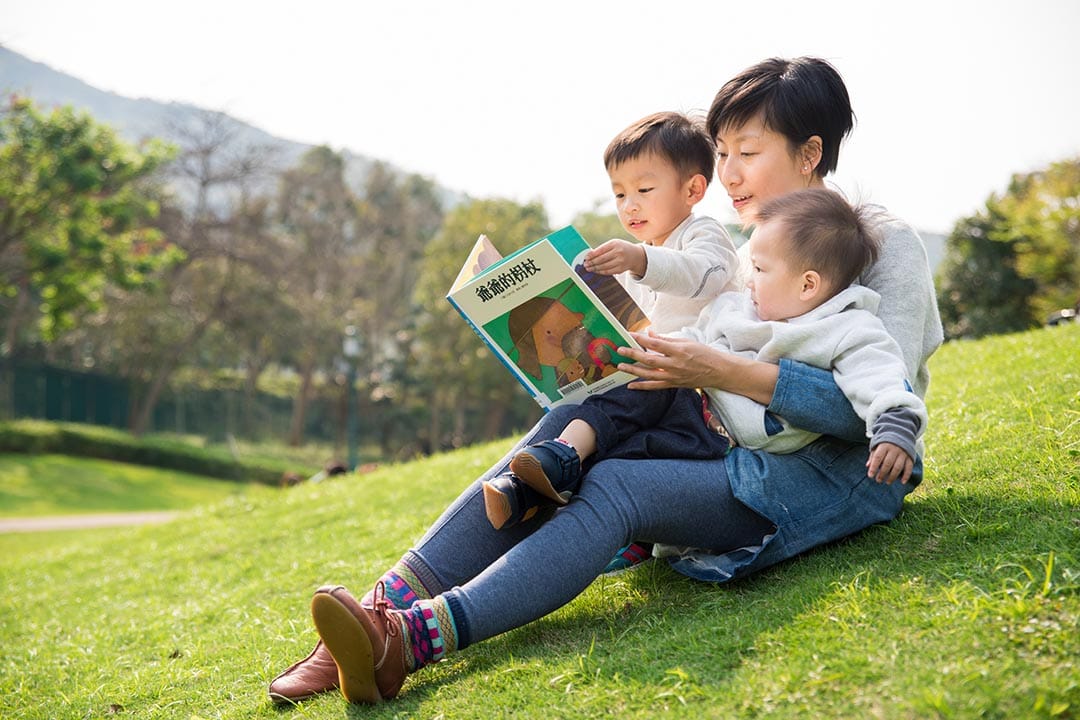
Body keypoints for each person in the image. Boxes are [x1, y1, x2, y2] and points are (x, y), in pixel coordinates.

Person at [267, 56, 943, 707]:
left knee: (614, 483)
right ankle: (382, 606)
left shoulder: (882, 245)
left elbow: (870, 416)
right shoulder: (754, 250)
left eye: (747, 151)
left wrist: (714, 369)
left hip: (812, 482)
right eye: (722, 151)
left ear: (808, 153)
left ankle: (410, 639)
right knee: (555, 442)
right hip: (711, 436)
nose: (727, 172)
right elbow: (708, 353)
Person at [500, 189, 926, 528]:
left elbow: (882, 375)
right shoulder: (739, 309)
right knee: (635, 392)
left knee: (637, 428)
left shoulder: (848, 328)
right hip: (696, 409)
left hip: (726, 437)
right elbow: (695, 338)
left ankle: (559, 471)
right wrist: (649, 347)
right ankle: (553, 466)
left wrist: (894, 426)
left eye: (759, 270)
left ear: (807, 284)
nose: (749, 280)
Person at [482, 109, 740, 530]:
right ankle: (528, 492)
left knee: (636, 388)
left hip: (699, 397)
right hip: (655, 400)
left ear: (693, 189)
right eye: (619, 194)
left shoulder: (704, 234)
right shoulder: (631, 264)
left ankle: (562, 456)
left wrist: (639, 258)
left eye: (643, 189)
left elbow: (703, 277)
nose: (630, 205)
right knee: (611, 412)